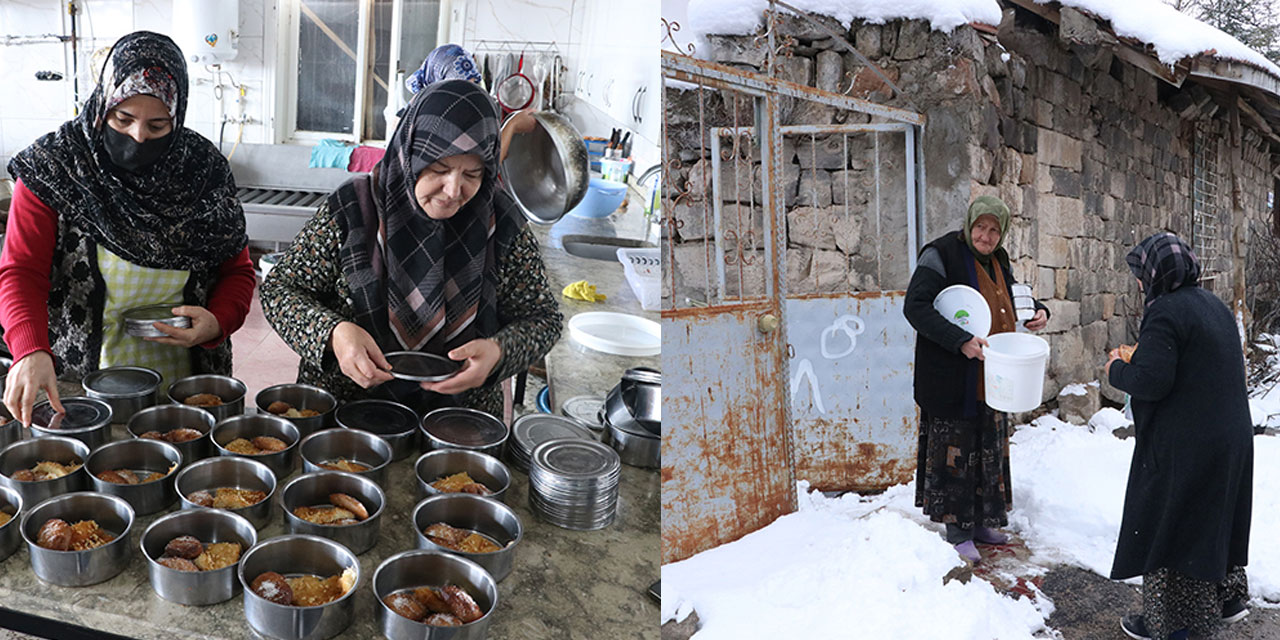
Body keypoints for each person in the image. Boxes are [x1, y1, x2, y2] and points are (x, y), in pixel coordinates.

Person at [260, 79, 561, 417]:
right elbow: (280, 289)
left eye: (473, 174)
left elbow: (544, 319)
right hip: (344, 415)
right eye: (439, 168)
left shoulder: (501, 221)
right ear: (411, 155)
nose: (453, 190)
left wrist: (499, 352)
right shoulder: (354, 208)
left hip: (457, 425)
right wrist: (334, 334)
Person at [1, 31, 255, 426]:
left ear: (179, 115)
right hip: (76, 385)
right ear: (103, 104)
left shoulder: (202, 171)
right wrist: (30, 349)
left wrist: (219, 320)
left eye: (157, 126)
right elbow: (21, 271)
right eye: (123, 118)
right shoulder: (58, 168)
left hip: (188, 387)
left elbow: (237, 271)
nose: (138, 136)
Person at [1105, 232, 1253, 640]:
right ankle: (1225, 598)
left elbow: (1150, 381)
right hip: (1230, 436)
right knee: (1212, 518)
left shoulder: (1165, 311)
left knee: (1175, 523)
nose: (1138, 282)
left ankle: (1175, 624)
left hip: (1192, 442)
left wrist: (1116, 369)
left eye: (1140, 274)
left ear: (1155, 274)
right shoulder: (1212, 304)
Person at [902, 196, 1049, 563]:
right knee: (956, 451)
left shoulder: (998, 260)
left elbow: (1012, 297)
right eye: (981, 227)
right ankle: (958, 531)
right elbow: (915, 306)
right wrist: (960, 341)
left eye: (994, 229)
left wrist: (1037, 311)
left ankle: (982, 521)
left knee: (987, 449)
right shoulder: (941, 255)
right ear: (969, 225)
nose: (986, 235)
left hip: (993, 376)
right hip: (953, 377)